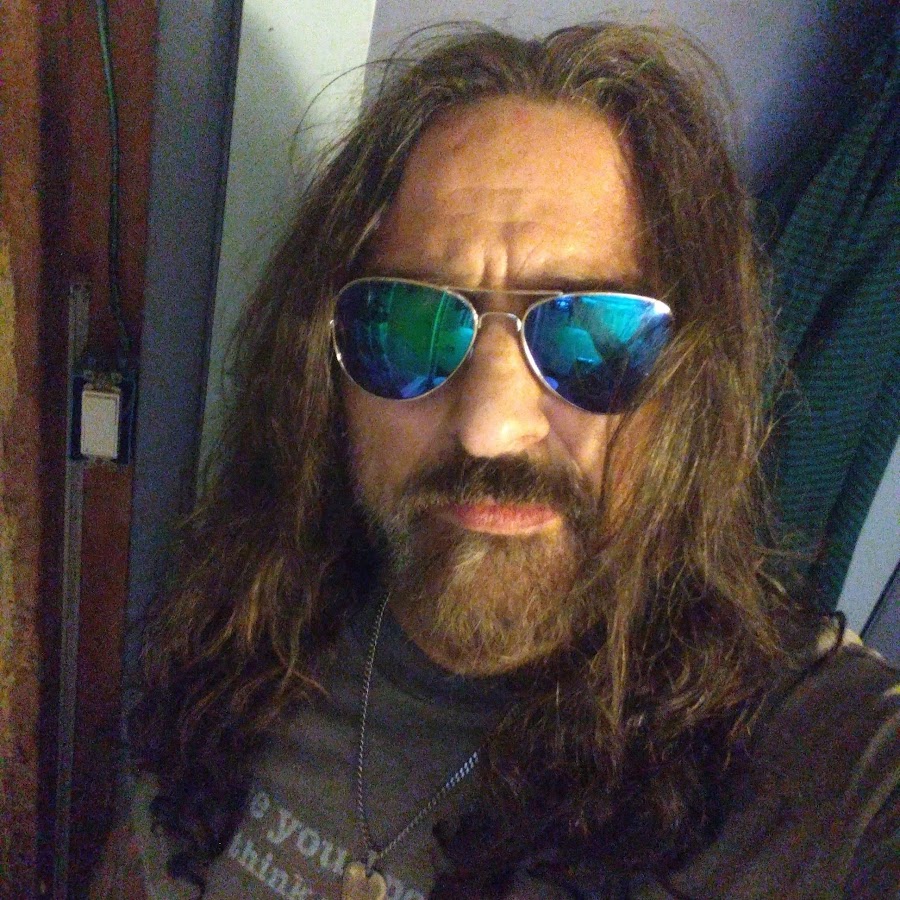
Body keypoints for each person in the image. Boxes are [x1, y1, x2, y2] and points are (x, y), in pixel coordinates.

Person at [92, 22, 899, 900]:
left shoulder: (805, 770)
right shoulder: (239, 641)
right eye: (410, 325)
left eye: (593, 336)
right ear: (325, 372)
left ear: (691, 386)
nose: (489, 427)